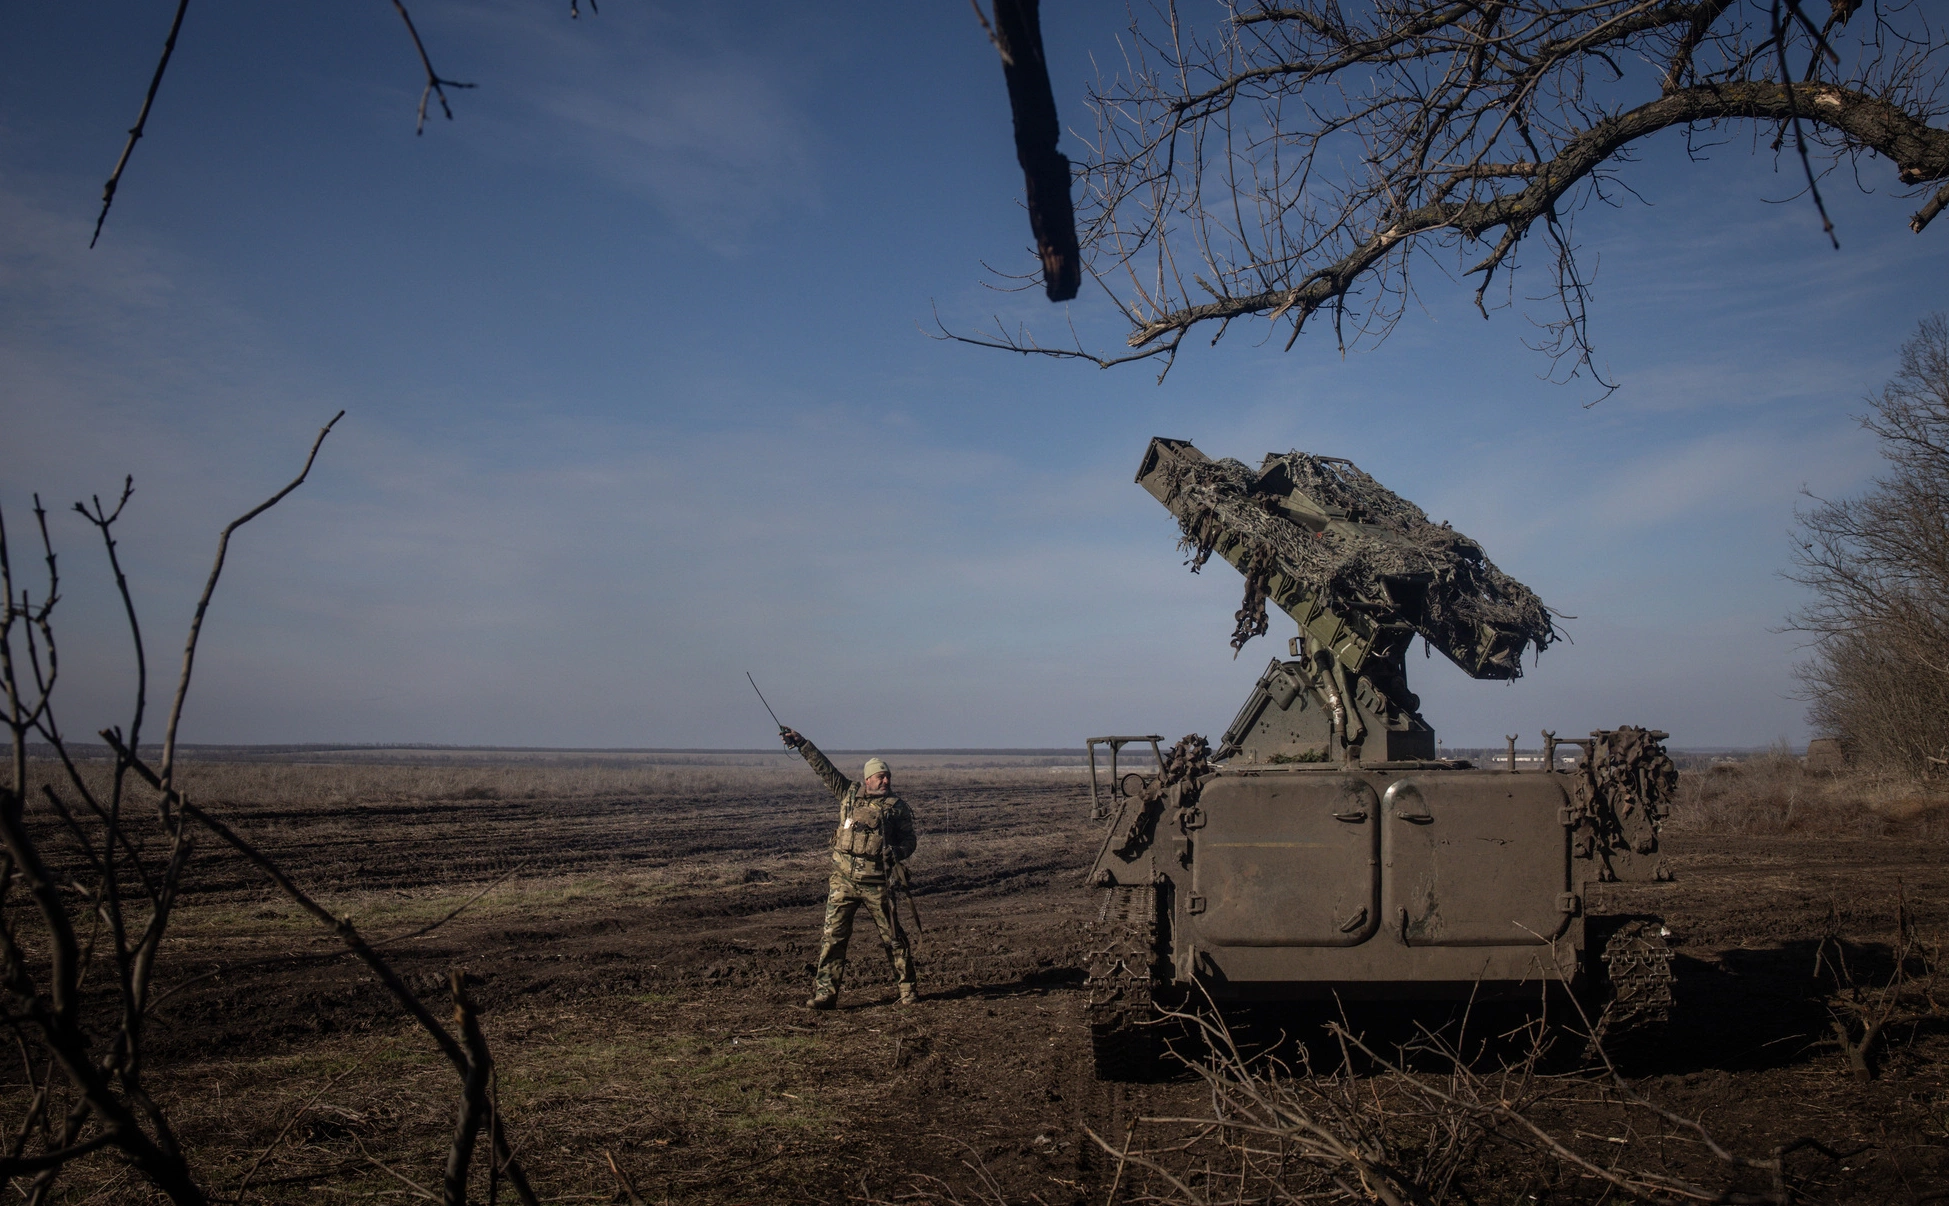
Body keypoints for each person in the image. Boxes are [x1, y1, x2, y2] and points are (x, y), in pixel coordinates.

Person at [779, 726, 918, 1008]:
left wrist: (898, 852)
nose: (886, 780)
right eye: (880, 776)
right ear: (868, 779)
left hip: (877, 884)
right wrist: (802, 743)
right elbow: (824, 769)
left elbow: (910, 841)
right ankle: (825, 995)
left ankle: (908, 991)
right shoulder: (848, 794)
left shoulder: (897, 807)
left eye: (888, 776)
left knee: (893, 938)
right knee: (833, 939)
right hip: (843, 881)